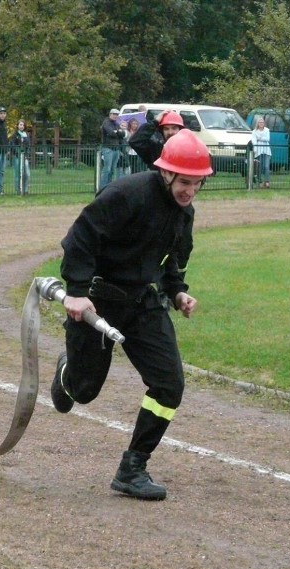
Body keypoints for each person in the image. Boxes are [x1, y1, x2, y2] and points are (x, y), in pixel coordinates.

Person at [51, 129, 213, 501]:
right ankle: (67, 374)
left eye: (197, 183)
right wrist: (75, 292)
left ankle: (133, 467)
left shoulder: (184, 212)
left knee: (169, 385)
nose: (189, 190)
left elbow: (171, 257)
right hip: (97, 302)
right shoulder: (127, 195)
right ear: (167, 173)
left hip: (142, 304)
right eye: (184, 181)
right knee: (84, 391)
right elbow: (80, 238)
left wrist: (176, 291)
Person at [99, 108, 125, 189]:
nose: (115, 116)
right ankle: (103, 187)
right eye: (114, 114)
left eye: (117, 115)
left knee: (113, 169)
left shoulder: (116, 124)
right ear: (110, 114)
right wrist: (118, 132)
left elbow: (123, 134)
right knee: (107, 169)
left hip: (116, 149)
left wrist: (117, 132)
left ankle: (109, 186)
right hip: (108, 148)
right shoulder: (106, 123)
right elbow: (110, 133)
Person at [10, 118, 31, 195]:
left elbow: (28, 146)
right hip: (17, 156)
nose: (21, 126)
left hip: (24, 157)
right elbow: (12, 146)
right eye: (20, 125)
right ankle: (18, 190)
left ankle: (25, 190)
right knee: (17, 174)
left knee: (27, 173)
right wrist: (17, 153)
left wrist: (26, 155)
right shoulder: (15, 135)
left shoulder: (27, 135)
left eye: (23, 125)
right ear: (17, 126)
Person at [252, 116, 272, 188]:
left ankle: (267, 182)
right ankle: (260, 181)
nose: (261, 123)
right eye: (260, 122)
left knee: (266, 166)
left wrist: (259, 138)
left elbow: (267, 139)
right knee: (259, 167)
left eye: (262, 122)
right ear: (257, 123)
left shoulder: (267, 130)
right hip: (258, 150)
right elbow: (254, 141)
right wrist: (255, 148)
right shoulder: (254, 131)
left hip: (266, 151)